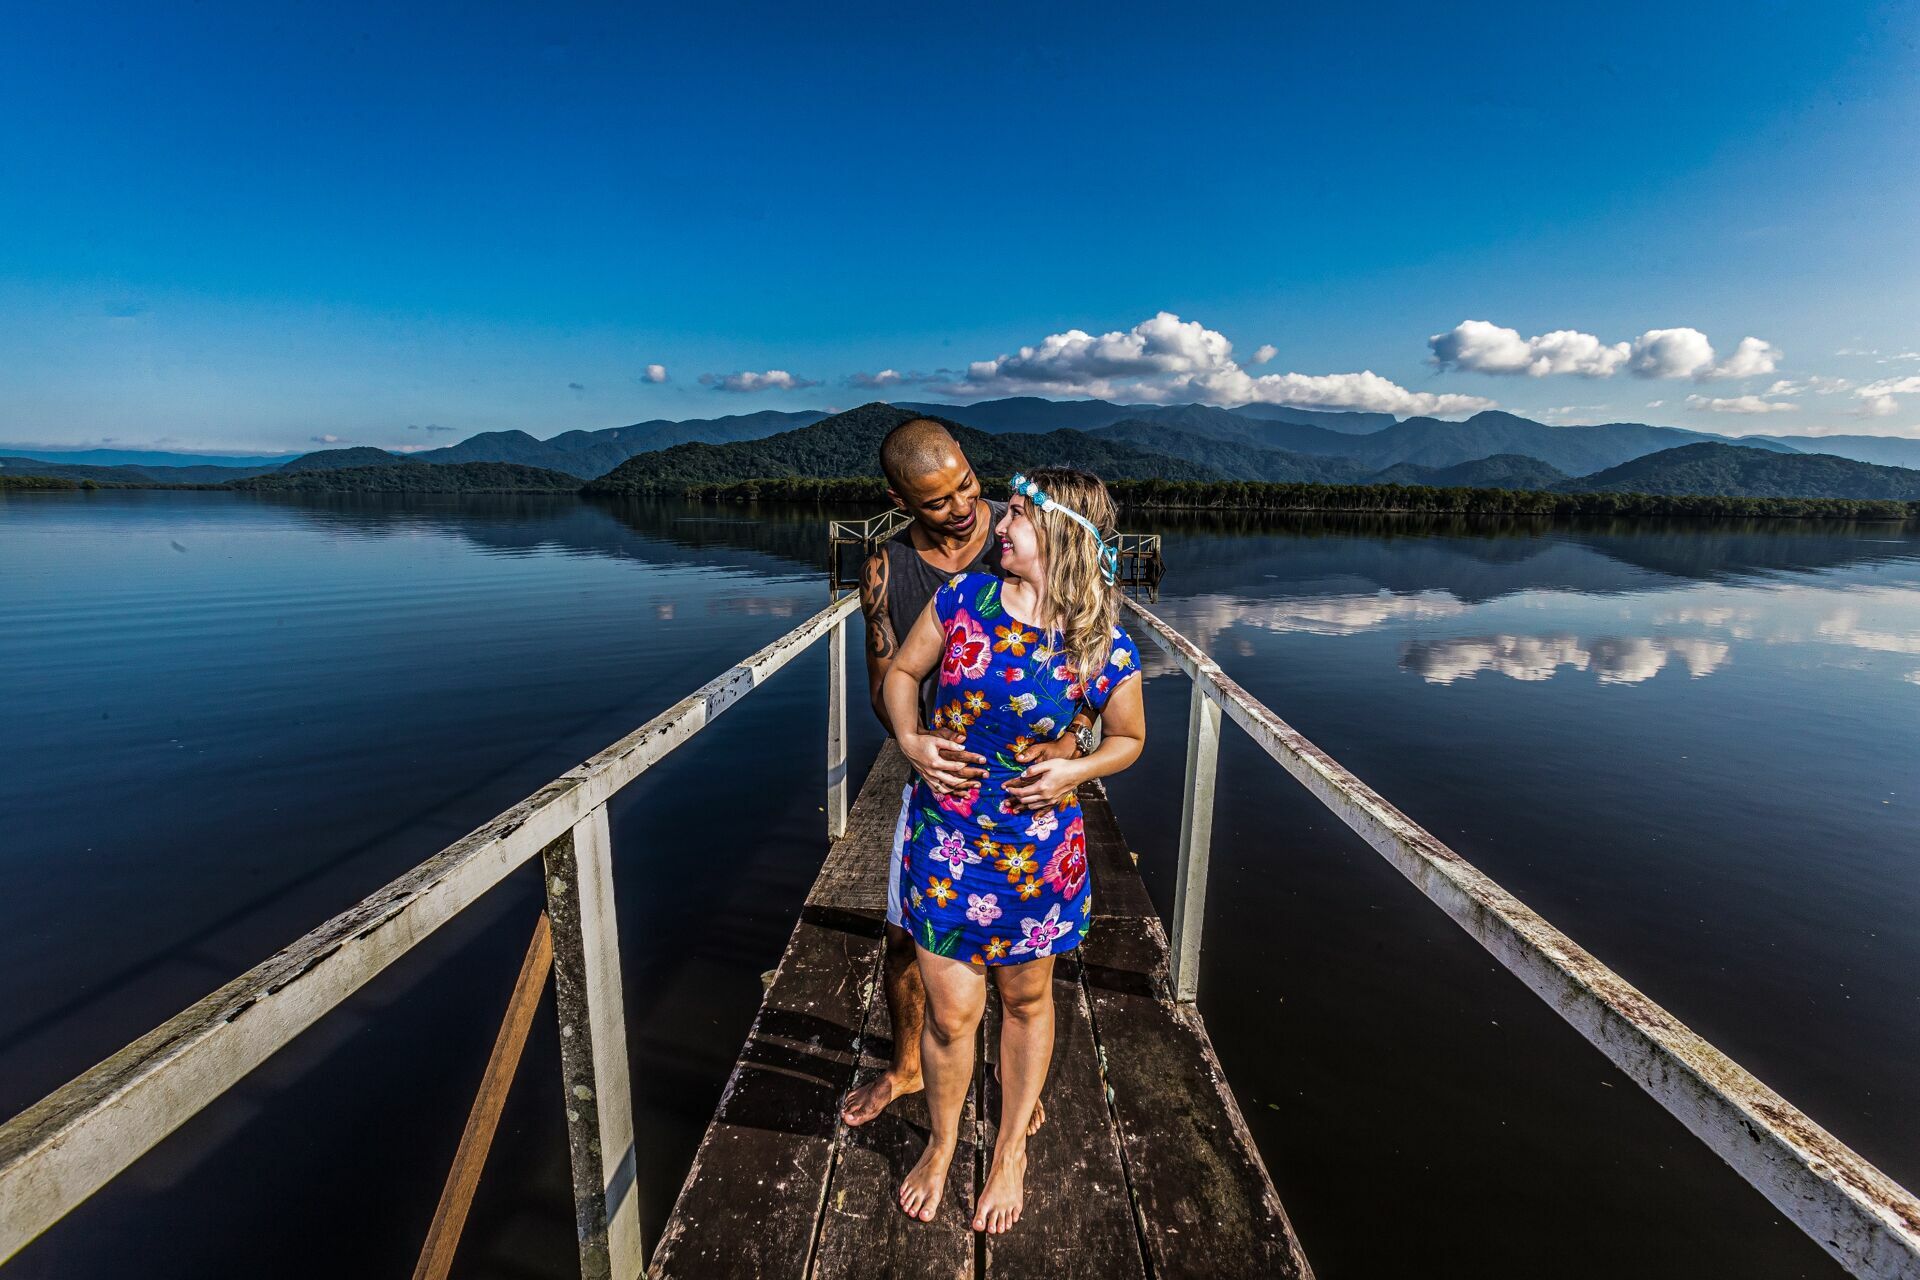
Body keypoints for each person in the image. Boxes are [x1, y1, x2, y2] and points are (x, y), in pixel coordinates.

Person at [883, 467, 1146, 1233]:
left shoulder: (1101, 643)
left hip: (1037, 858)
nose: (998, 525)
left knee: (1027, 1000)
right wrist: (910, 737)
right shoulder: (964, 599)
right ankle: (939, 1144)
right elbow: (903, 672)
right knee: (950, 1014)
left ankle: (1007, 1152)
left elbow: (1128, 738)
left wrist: (1077, 764)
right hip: (947, 842)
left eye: (1018, 519)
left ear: (1063, 536)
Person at [841, 420, 1097, 1133]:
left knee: (1022, 959)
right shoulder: (889, 570)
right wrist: (913, 742)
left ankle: (1016, 1079)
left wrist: (1076, 743)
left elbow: (1094, 666)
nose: (959, 508)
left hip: (1022, 791)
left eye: (967, 487)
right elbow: (885, 678)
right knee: (905, 935)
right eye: (935, 500)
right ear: (899, 499)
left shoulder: (1025, 538)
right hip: (940, 781)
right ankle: (906, 1068)